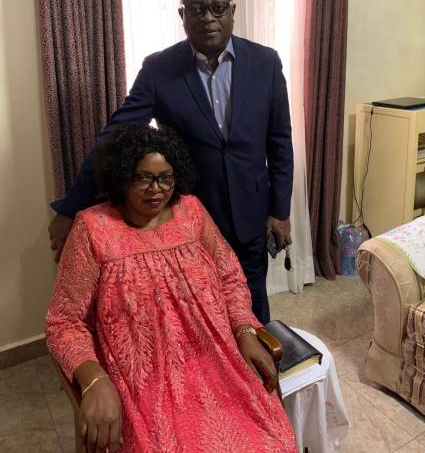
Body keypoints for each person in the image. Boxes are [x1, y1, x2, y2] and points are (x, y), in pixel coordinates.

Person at [48, 0, 294, 324]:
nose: (208, 17)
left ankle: (258, 357)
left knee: (252, 302)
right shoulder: (159, 69)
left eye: (217, 8)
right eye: (196, 9)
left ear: (232, 11)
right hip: (190, 216)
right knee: (199, 308)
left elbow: (280, 141)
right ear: (182, 15)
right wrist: (72, 208)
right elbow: (114, 137)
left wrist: (280, 211)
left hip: (251, 210)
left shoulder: (265, 62)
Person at [45, 125, 297, 453]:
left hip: (215, 362)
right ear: (121, 177)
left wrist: (244, 330)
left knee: (274, 441)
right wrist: (94, 379)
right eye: (143, 178)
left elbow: (231, 278)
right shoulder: (93, 228)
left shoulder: (191, 212)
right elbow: (63, 322)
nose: (157, 189)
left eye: (166, 177)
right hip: (143, 383)